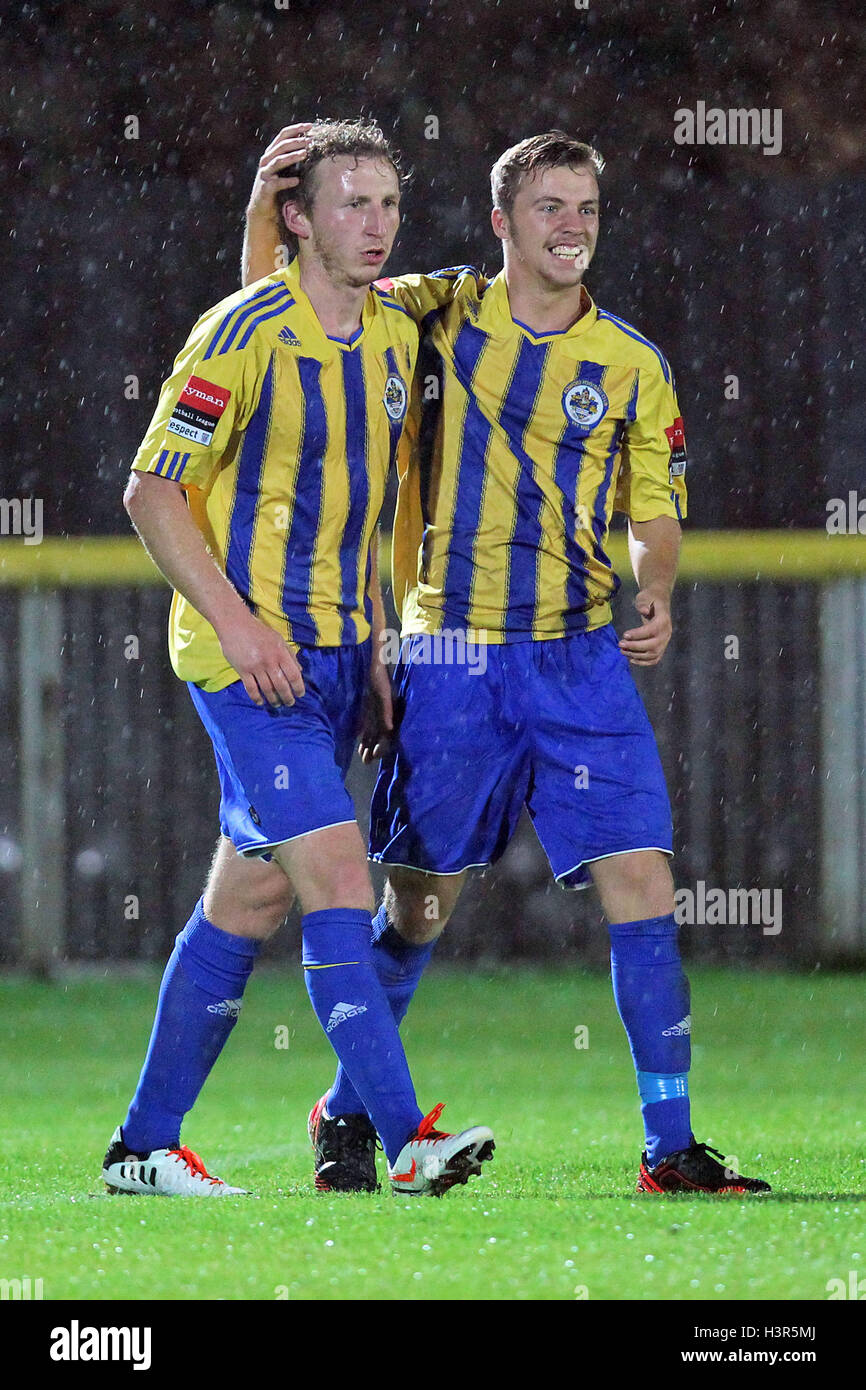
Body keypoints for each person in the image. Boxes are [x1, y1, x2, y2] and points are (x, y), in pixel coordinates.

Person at [244, 128, 770, 1199]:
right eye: (548, 207)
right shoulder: (437, 311)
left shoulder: (631, 363)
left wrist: (656, 586)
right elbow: (285, 313)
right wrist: (266, 210)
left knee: (643, 883)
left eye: (584, 208)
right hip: (451, 655)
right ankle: (344, 1109)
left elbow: (652, 509)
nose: (570, 226)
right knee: (418, 908)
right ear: (501, 222)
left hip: (578, 658)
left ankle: (668, 1149)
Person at [102, 119, 494, 1199]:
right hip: (246, 662)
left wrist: (372, 642)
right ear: (298, 219)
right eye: (349, 204)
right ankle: (403, 1137)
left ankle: (140, 1148)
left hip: (332, 653)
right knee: (333, 877)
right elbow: (149, 491)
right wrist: (235, 624)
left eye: (386, 205)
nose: (374, 226)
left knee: (247, 904)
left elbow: (364, 517)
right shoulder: (237, 332)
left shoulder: (386, 336)